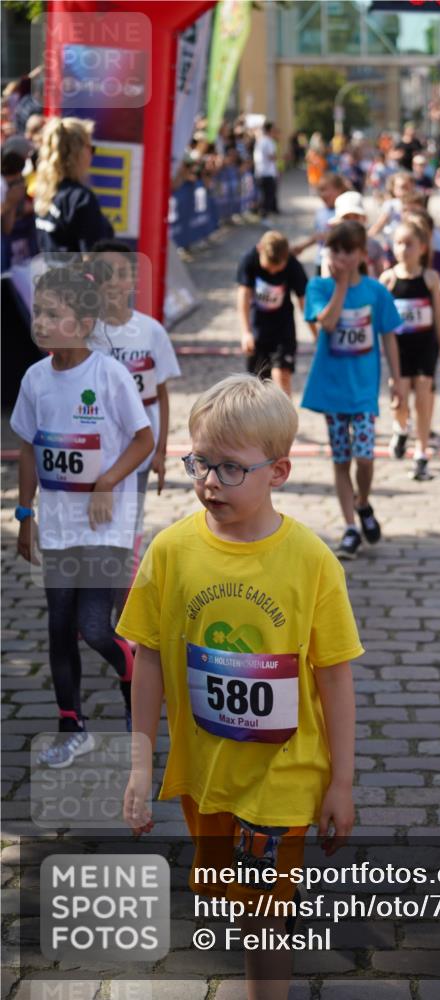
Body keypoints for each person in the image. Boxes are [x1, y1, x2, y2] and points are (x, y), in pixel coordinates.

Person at [120, 374, 362, 1000]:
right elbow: (147, 658)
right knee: (229, 893)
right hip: (206, 772)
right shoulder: (170, 551)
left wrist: (340, 782)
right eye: (200, 461)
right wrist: (141, 766)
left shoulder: (311, 562)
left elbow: (335, 674)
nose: (207, 481)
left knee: (261, 917)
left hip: (283, 774)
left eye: (231, 469)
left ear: (279, 471)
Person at [10, 263, 154, 762]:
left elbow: (144, 438)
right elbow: (29, 449)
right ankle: (72, 725)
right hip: (58, 525)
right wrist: (24, 515)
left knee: (95, 626)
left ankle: (131, 668)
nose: (42, 321)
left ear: (86, 322)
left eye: (54, 313)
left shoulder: (108, 375)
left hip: (105, 524)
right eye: (39, 312)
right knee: (58, 626)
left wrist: (108, 481)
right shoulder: (34, 379)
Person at [301, 221, 403, 560]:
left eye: (349, 251)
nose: (341, 257)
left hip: (363, 390)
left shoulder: (375, 292)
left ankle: (362, 501)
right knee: (341, 458)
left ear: (362, 254)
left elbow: (388, 334)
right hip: (332, 390)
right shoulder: (318, 287)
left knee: (366, 456)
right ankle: (349, 527)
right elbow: (326, 323)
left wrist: (397, 379)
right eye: (336, 251)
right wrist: (341, 286)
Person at [89, 239, 182, 533]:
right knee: (93, 530)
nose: (113, 282)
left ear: (132, 279)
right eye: (105, 273)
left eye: (121, 273)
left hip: (138, 451)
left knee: (128, 529)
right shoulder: (84, 334)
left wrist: (160, 451)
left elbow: (162, 395)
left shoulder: (152, 332)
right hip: (95, 453)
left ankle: (124, 579)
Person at [380, 219, 440, 481]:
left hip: (424, 347)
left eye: (409, 244)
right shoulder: (387, 279)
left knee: (423, 398)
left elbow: (439, 317)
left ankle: (421, 452)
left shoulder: (430, 278)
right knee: (399, 399)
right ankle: (400, 428)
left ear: (422, 247)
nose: (403, 249)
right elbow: (380, 321)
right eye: (399, 243)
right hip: (398, 349)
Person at [237, 230, 309, 397]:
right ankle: (257, 422)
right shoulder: (249, 260)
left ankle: (286, 421)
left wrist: (316, 334)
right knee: (256, 385)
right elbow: (243, 295)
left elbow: (303, 302)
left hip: (283, 330)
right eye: (269, 267)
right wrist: (246, 332)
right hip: (258, 331)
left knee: (281, 376)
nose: (273, 273)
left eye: (278, 269)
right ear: (260, 249)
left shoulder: (293, 265)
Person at [34, 117, 114, 253]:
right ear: (79, 152)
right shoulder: (81, 199)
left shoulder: (44, 193)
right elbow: (93, 260)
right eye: (91, 148)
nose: (92, 154)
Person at [291, 172, 349, 275]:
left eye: (324, 190)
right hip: (321, 260)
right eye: (319, 191)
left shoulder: (346, 213)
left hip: (340, 262)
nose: (321, 194)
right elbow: (318, 236)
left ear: (339, 190)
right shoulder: (320, 212)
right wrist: (302, 247)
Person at [253, 121, 279, 218]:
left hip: (261, 172)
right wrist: (281, 158)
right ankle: (264, 215)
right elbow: (271, 156)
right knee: (268, 196)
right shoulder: (268, 141)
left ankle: (262, 214)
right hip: (267, 173)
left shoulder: (261, 140)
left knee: (265, 195)